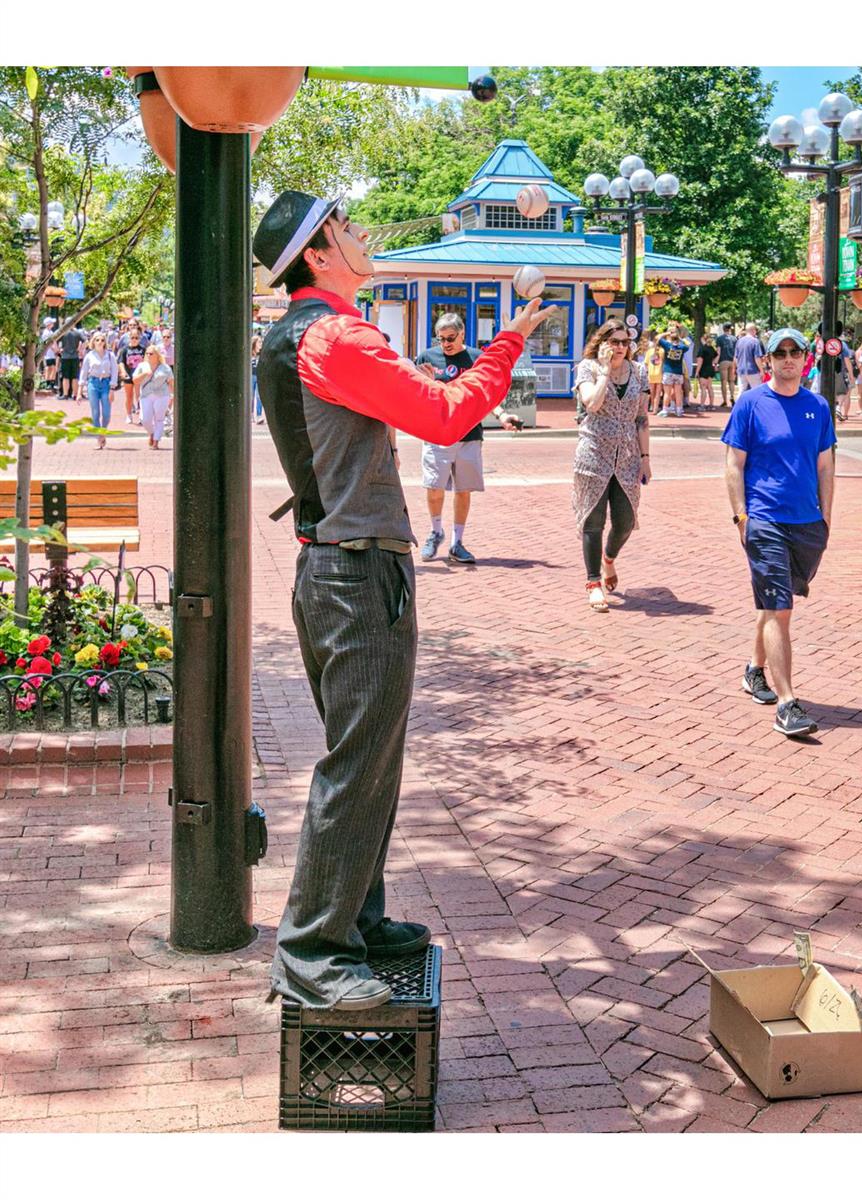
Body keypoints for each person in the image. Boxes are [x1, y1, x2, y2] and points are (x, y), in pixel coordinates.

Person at [252, 189, 557, 1008]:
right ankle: (314, 949)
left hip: (335, 571)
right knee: (357, 765)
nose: (361, 234)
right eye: (345, 229)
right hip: (357, 577)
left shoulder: (300, 334)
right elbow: (447, 415)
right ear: (317, 257)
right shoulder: (336, 333)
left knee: (371, 759)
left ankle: (357, 917)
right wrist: (513, 339)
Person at [722, 326, 836, 739]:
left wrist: (827, 518)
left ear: (805, 358)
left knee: (775, 605)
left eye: (795, 351)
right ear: (766, 359)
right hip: (764, 519)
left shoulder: (818, 407)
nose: (788, 358)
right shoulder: (751, 404)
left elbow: (825, 465)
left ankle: (754, 669)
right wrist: (741, 517)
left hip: (807, 523)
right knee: (780, 608)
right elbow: (734, 464)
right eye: (780, 352)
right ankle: (787, 703)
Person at [415, 313, 520, 565]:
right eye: (440, 339)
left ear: (462, 333)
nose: (445, 344)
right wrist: (426, 383)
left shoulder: (476, 359)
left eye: (450, 338)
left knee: (463, 490)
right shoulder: (427, 358)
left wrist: (503, 415)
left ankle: (456, 542)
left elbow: (487, 395)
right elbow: (414, 391)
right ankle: (435, 531)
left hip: (469, 434)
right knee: (433, 487)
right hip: (436, 433)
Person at [572, 319, 650, 613]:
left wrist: (646, 459)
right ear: (602, 342)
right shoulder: (588, 368)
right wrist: (605, 370)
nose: (620, 348)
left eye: (625, 342)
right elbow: (591, 403)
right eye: (614, 341)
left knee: (625, 520)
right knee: (593, 521)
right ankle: (593, 583)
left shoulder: (639, 372)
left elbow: (642, 418)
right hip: (594, 453)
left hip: (628, 456)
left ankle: (608, 558)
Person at [131, 344, 174, 449]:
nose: (149, 355)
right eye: (147, 353)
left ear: (157, 355)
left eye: (151, 353)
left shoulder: (165, 367)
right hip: (146, 394)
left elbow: (171, 382)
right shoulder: (142, 366)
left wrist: (173, 395)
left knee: (159, 419)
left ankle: (156, 441)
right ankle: (151, 433)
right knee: (145, 419)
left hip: (162, 395)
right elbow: (135, 380)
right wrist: (144, 374)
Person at [80, 332, 118, 449]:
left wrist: (112, 388)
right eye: (97, 340)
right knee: (95, 413)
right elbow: (84, 372)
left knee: (106, 413)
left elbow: (114, 372)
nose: (100, 342)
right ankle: (99, 437)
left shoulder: (110, 355)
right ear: (93, 342)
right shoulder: (89, 356)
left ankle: (103, 431)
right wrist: (79, 391)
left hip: (106, 383)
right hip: (93, 383)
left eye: (102, 340)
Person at [658, 321, 691, 417]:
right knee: (678, 392)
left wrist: (667, 333)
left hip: (668, 371)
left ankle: (665, 409)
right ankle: (679, 410)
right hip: (678, 372)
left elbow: (658, 337)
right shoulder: (682, 347)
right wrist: (680, 337)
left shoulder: (667, 345)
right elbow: (688, 344)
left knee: (667, 393)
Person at [117, 319, 147, 423]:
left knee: (140, 396)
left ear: (139, 338)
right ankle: (129, 415)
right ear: (129, 337)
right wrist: (123, 372)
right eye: (132, 337)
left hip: (139, 376)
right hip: (129, 375)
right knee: (129, 396)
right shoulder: (125, 349)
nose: (134, 339)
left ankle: (141, 415)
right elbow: (120, 362)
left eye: (136, 338)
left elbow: (146, 361)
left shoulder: (143, 349)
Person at [56, 322, 85, 401]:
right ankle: (74, 395)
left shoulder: (63, 333)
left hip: (65, 357)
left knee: (65, 377)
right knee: (75, 377)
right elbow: (85, 341)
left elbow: (54, 340)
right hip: (75, 356)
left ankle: (65, 395)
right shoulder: (77, 333)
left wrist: (58, 350)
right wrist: (80, 349)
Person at [733, 322, 765, 393]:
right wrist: (761, 370)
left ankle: (739, 404)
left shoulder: (739, 341)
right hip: (753, 370)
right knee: (757, 392)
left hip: (741, 370)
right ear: (753, 330)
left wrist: (737, 368)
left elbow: (736, 358)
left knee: (741, 392)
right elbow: (757, 358)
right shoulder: (755, 341)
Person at [695, 330, 719, 409]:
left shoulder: (702, 349)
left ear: (703, 339)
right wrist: (714, 364)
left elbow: (700, 361)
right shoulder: (712, 348)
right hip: (710, 368)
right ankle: (711, 405)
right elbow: (716, 357)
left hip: (704, 369)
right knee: (710, 387)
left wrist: (697, 371)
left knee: (703, 388)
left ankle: (702, 405)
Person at [716, 322, 738, 406]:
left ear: (723, 329)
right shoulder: (734, 339)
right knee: (731, 381)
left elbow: (719, 351)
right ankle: (732, 396)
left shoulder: (719, 338)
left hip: (723, 360)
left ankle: (724, 400)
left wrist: (715, 361)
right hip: (732, 360)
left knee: (723, 381)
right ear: (730, 329)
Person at [645, 330, 664, 413]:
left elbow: (646, 363)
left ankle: (652, 407)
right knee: (658, 393)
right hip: (660, 373)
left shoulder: (649, 351)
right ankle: (656, 408)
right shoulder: (663, 351)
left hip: (651, 373)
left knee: (652, 392)